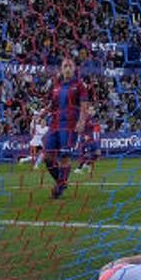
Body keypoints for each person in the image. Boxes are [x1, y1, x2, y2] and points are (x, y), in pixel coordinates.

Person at [42, 57, 90, 199]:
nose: (67, 69)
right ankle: (61, 182)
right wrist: (42, 114)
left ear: (74, 69)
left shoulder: (79, 85)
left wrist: (81, 121)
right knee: (47, 157)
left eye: (70, 66)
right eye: (65, 66)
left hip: (69, 125)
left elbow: (84, 105)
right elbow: (52, 104)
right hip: (55, 124)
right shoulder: (56, 85)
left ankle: (59, 188)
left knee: (64, 156)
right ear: (61, 69)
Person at [74, 108, 101, 175]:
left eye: (93, 110)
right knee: (86, 155)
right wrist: (84, 135)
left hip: (91, 139)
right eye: (91, 110)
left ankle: (87, 164)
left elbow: (93, 125)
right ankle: (78, 169)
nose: (93, 111)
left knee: (97, 153)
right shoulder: (85, 119)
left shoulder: (91, 118)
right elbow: (80, 128)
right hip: (86, 140)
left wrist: (96, 123)